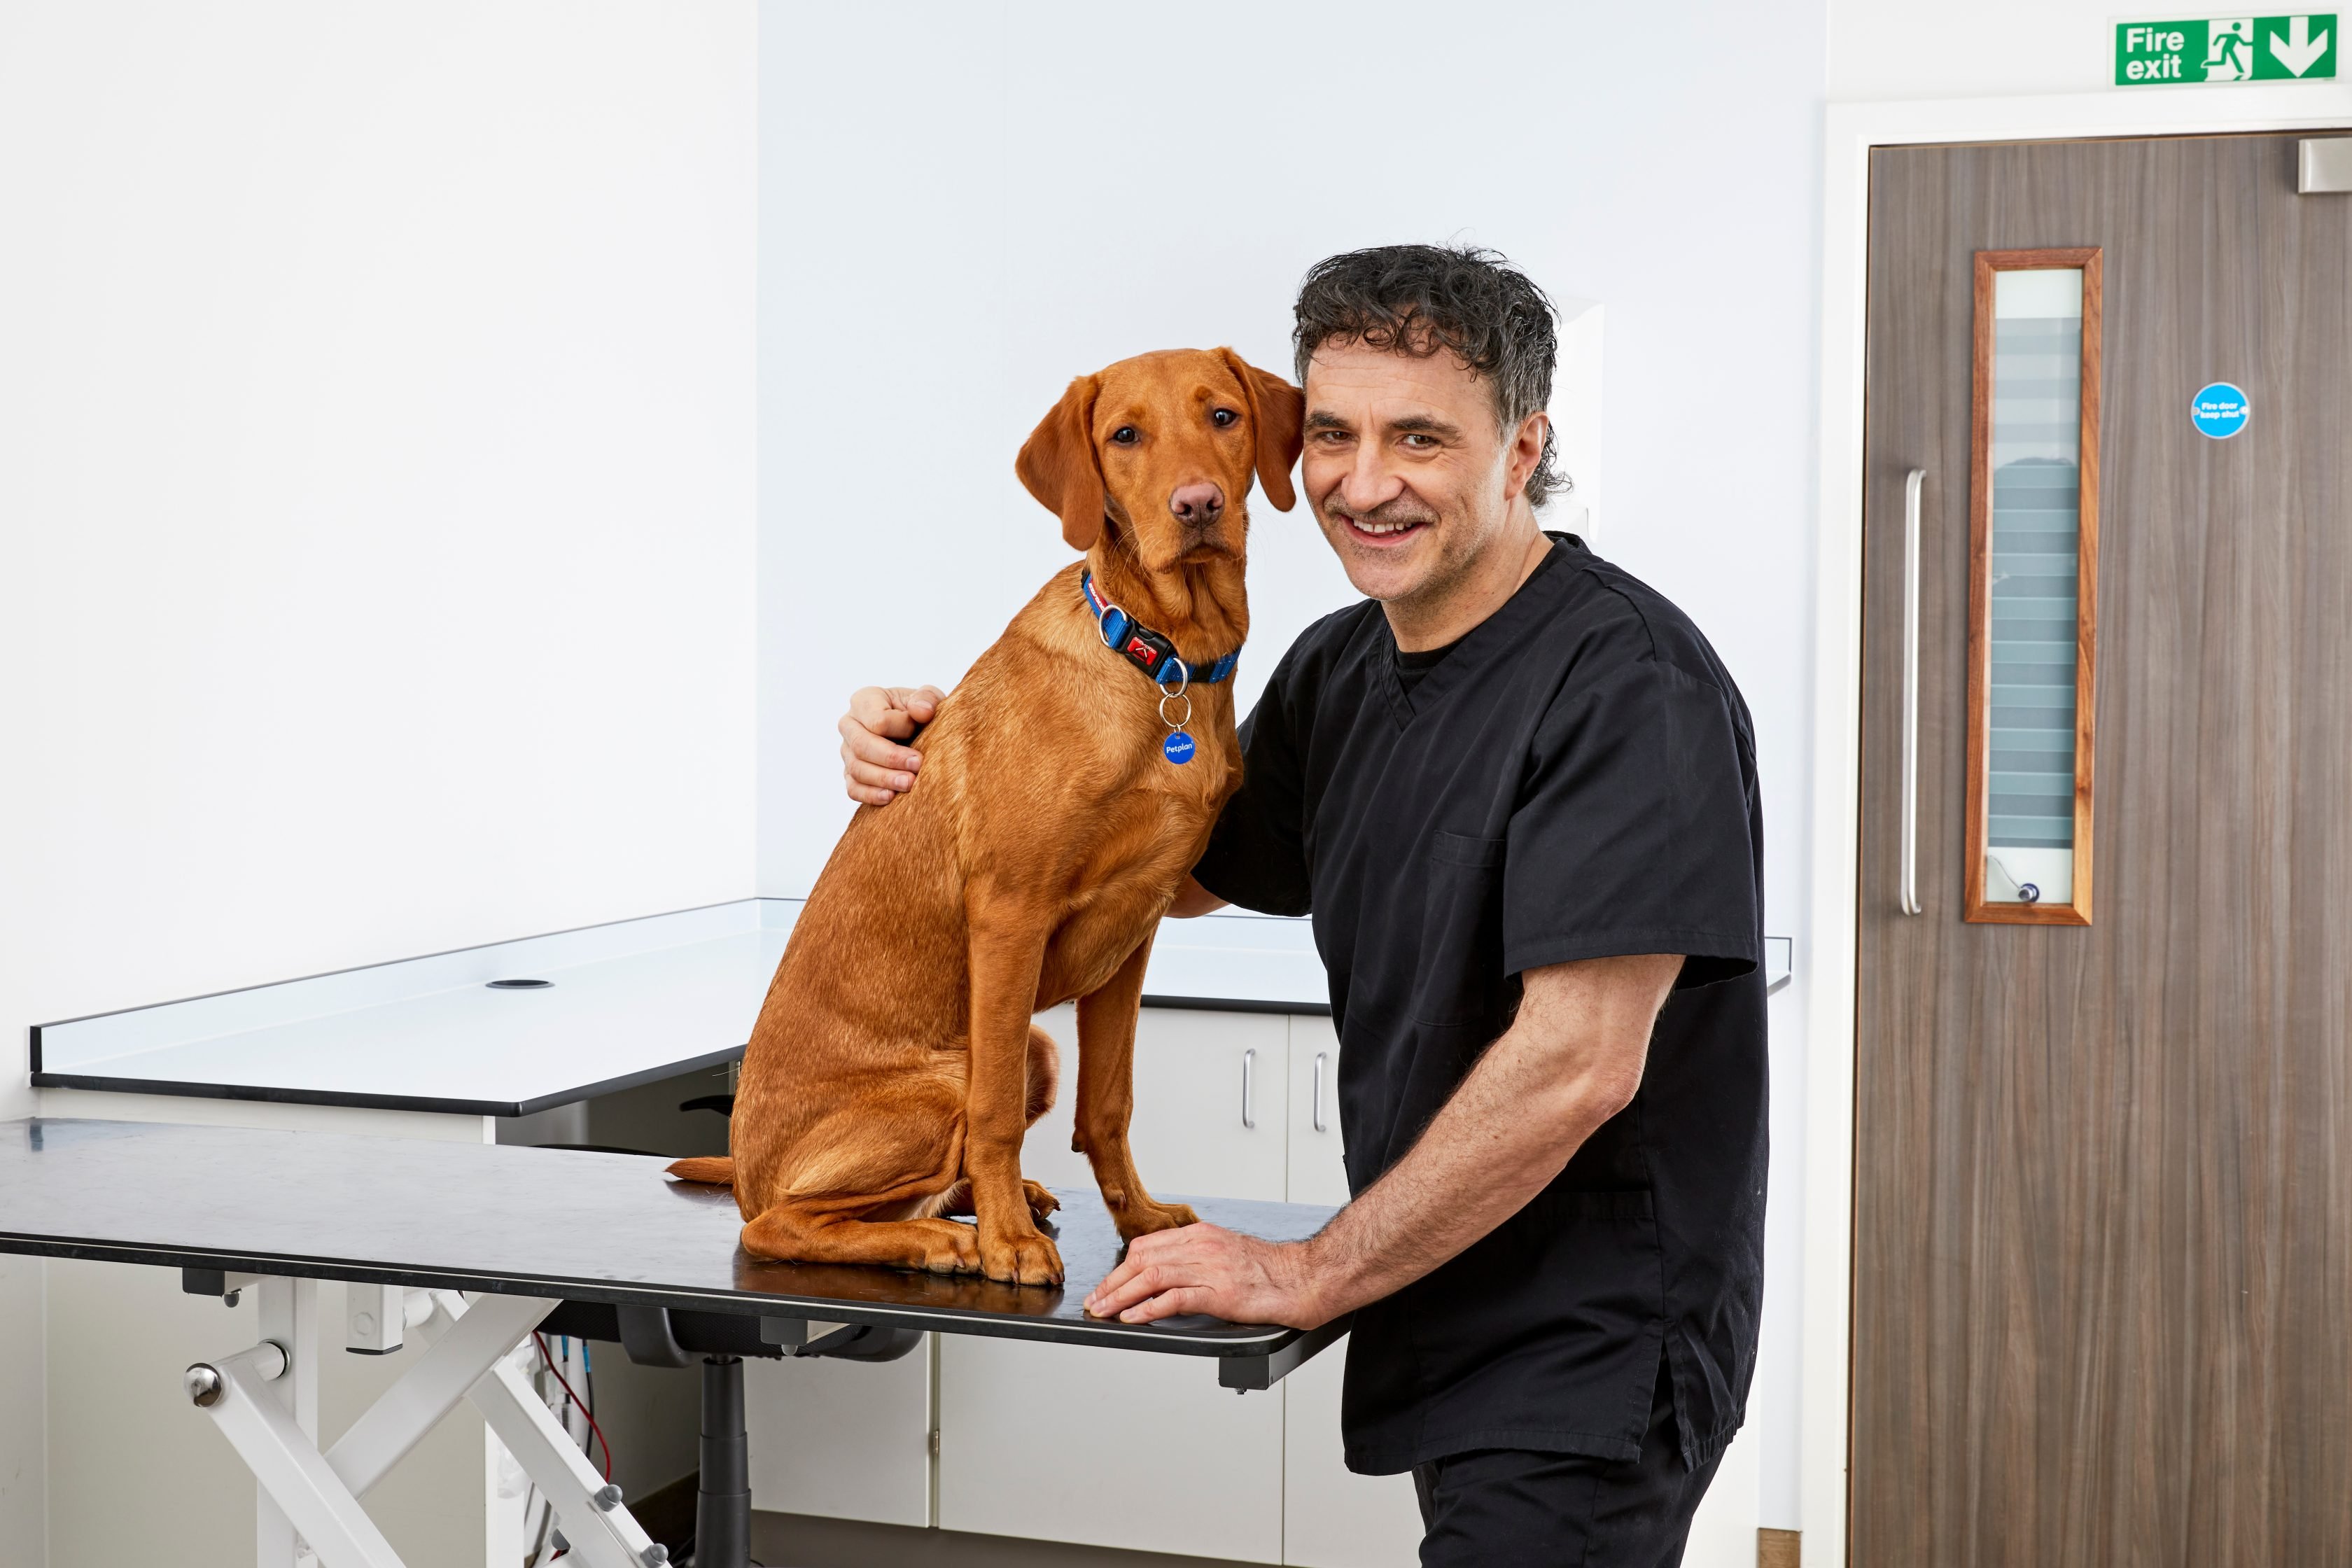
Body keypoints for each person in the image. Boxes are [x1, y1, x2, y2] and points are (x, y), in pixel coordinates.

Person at [838, 244, 1765, 1567]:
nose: (1363, 482)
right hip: (1442, 1292)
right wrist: (940, 769)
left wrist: (1307, 1270)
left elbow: (1578, 1065)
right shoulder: (1341, 670)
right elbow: (1153, 878)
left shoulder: (1631, 685)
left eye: (1421, 438)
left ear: (1521, 450)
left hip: (1592, 1336)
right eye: (1333, 434)